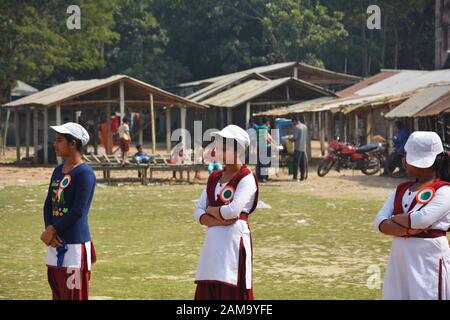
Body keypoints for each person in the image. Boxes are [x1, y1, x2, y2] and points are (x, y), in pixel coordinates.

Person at [374, 131, 450, 299]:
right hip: (400, 256)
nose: (404, 160)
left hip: (428, 257)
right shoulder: (401, 189)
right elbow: (379, 221)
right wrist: (405, 230)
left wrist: (394, 219)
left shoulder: (444, 190)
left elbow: (421, 220)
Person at [193, 125, 259, 300]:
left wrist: (211, 210)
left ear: (236, 150)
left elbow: (233, 211)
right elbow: (198, 211)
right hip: (212, 248)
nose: (218, 152)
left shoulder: (246, 177)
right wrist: (217, 220)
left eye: (223, 148)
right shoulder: (214, 177)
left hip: (233, 246)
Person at [40, 122, 97, 300]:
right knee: (57, 294)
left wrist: (52, 230)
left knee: (74, 296)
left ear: (73, 144)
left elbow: (78, 211)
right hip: (55, 243)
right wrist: (50, 230)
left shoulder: (85, 173)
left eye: (59, 140)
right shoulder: (57, 171)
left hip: (74, 245)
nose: (54, 144)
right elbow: (49, 204)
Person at [291, 116, 308, 181]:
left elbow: (295, 138)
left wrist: (289, 139)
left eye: (293, 122)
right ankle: (302, 177)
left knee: (296, 163)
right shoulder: (305, 126)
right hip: (303, 147)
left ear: (295, 121)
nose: (293, 123)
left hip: (297, 148)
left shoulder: (296, 127)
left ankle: (295, 177)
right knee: (302, 164)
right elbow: (306, 137)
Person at [256, 117, 272, 182]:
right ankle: (263, 178)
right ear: (267, 122)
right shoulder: (265, 128)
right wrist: (270, 142)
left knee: (259, 162)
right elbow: (266, 138)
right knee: (264, 163)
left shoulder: (257, 128)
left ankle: (259, 177)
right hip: (264, 147)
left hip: (258, 146)